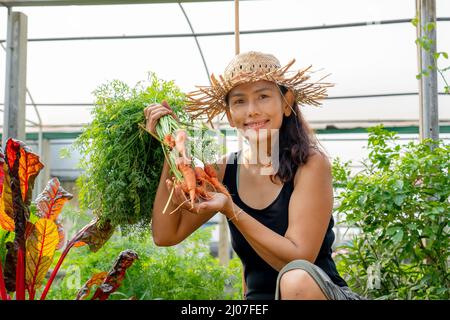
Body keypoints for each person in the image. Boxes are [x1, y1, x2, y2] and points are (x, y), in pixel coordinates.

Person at [145, 51, 365, 300]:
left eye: (263, 96)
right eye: (239, 101)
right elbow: (165, 235)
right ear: (229, 114)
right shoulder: (223, 171)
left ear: (286, 102)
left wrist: (232, 210)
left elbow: (300, 259)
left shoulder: (311, 164)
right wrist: (172, 147)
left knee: (296, 278)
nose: (251, 110)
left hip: (317, 293)